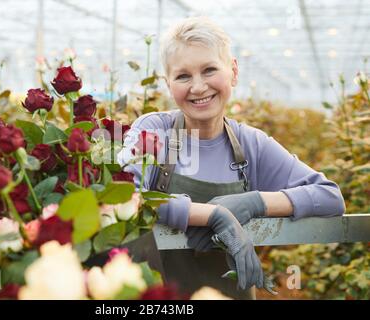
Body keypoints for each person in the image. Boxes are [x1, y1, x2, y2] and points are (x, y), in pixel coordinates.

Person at [118, 17, 345, 299]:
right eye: (183, 76)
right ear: (168, 84)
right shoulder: (153, 131)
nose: (198, 87)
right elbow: (124, 195)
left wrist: (253, 202)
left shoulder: (251, 145)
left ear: (233, 71)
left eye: (209, 70)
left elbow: (329, 196)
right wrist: (213, 214)